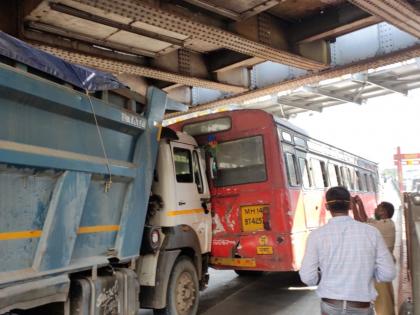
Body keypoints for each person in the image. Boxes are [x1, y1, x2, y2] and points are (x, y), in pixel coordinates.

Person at [299, 186, 396, 315]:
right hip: (362, 307)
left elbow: (307, 277)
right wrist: (368, 273)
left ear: (327, 207)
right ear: (350, 206)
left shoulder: (316, 236)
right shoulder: (371, 232)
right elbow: (388, 273)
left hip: (330, 306)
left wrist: (325, 277)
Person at [352, 196, 396, 315]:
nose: (376, 209)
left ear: (384, 212)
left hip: (381, 267)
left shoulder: (385, 225)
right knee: (385, 297)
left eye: (378, 208)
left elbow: (360, 223)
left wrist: (352, 205)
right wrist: (360, 204)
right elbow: (366, 219)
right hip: (383, 265)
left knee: (382, 300)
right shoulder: (382, 223)